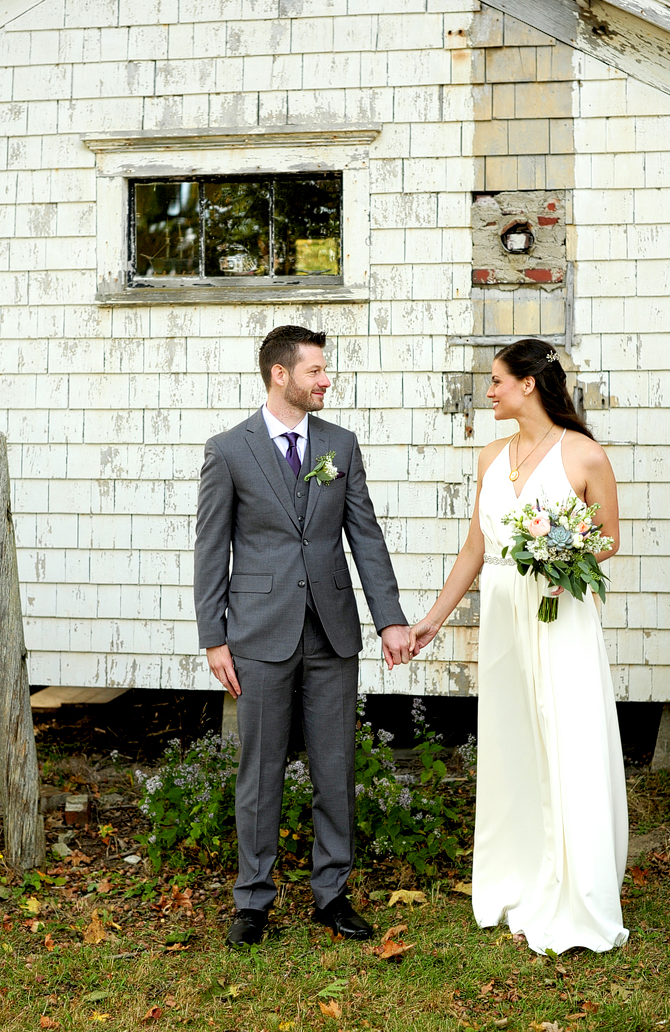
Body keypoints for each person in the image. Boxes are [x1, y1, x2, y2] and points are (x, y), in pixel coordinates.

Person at [410, 337, 629, 955]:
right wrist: (433, 618)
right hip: (506, 620)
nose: (490, 392)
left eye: (498, 381)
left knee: (567, 736)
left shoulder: (584, 455)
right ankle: (520, 871)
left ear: (528, 384)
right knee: (513, 738)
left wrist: (566, 556)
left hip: (561, 617)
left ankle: (577, 886)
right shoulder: (489, 457)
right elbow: (476, 549)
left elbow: (609, 538)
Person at [194, 325, 410, 948]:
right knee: (258, 770)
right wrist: (215, 638)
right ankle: (253, 900)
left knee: (335, 767)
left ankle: (332, 893)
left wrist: (389, 617)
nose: (327, 380)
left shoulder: (340, 445)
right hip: (258, 634)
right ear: (280, 375)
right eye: (316, 370)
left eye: (326, 369)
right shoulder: (229, 450)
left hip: (332, 633)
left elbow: (364, 536)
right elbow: (212, 550)